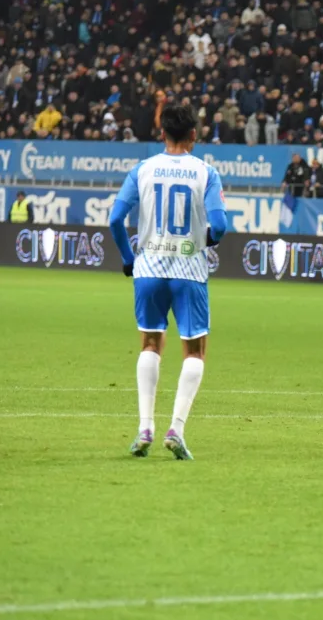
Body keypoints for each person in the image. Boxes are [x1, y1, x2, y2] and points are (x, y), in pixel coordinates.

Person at [108, 104, 227, 461]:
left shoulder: (142, 169)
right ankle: (176, 429)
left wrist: (128, 260)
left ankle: (145, 427)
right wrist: (203, 240)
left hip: (149, 268)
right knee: (195, 351)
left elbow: (115, 219)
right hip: (189, 270)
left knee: (150, 344)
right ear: (193, 135)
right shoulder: (206, 173)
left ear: (162, 134)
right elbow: (220, 226)